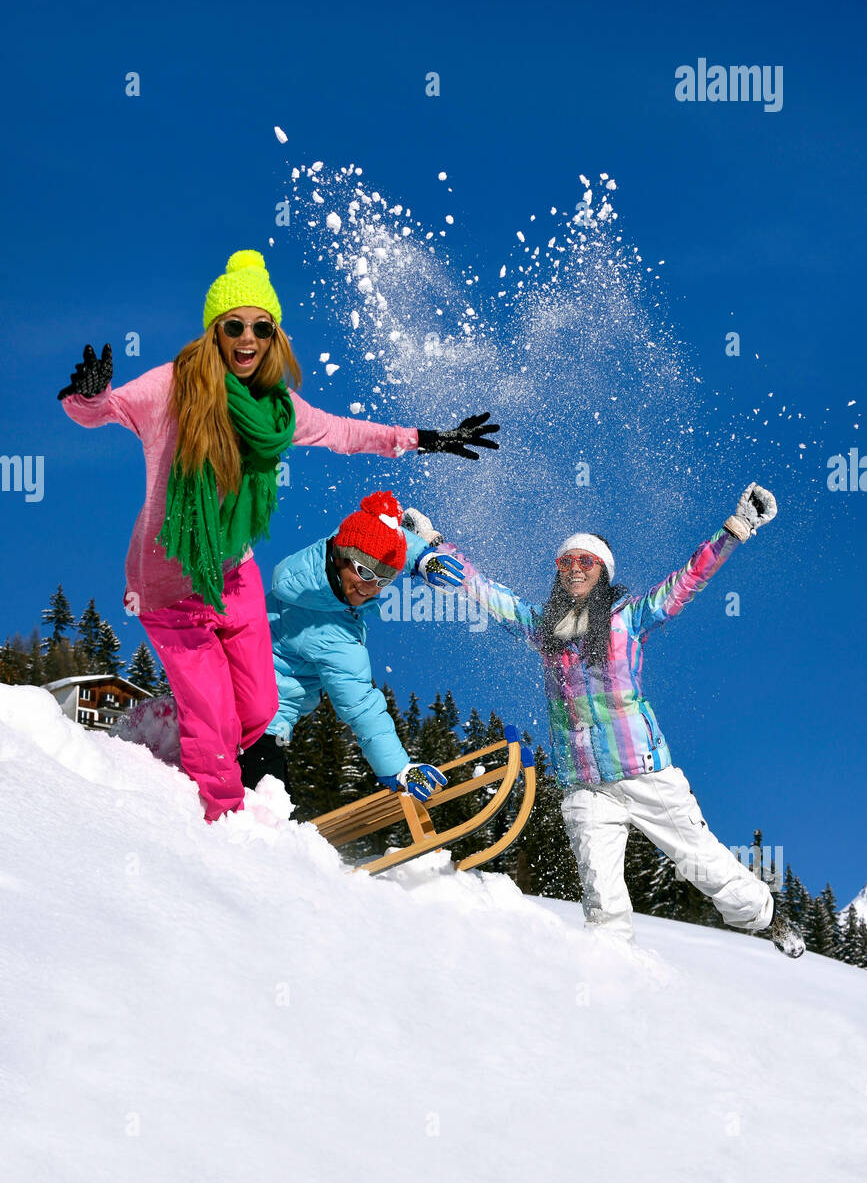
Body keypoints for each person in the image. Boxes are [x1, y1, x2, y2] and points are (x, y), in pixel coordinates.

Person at [57, 249, 497, 823]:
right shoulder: (173, 388)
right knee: (215, 725)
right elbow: (104, 411)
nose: (247, 338)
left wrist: (423, 438)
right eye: (234, 326)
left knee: (262, 707)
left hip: (234, 576)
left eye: (260, 328)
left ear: (273, 336)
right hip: (168, 586)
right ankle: (225, 829)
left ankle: (175, 730)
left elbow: (344, 432)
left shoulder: (279, 411)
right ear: (215, 330)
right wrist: (88, 395)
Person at [442, 483, 805, 957]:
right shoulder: (544, 629)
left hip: (645, 773)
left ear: (602, 572)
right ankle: (613, 986)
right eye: (566, 562)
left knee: (705, 865)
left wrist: (734, 530)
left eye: (585, 561)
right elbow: (489, 594)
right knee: (602, 900)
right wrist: (433, 546)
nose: (574, 568)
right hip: (585, 785)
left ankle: (769, 917)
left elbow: (686, 582)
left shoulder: (627, 620)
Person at [239, 493, 463, 804]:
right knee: (266, 808)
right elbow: (360, 707)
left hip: (241, 696)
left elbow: (373, 536)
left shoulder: (319, 562)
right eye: (364, 573)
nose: (369, 587)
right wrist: (397, 767)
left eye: (383, 580)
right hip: (261, 721)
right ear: (342, 556)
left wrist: (420, 557)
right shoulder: (334, 635)